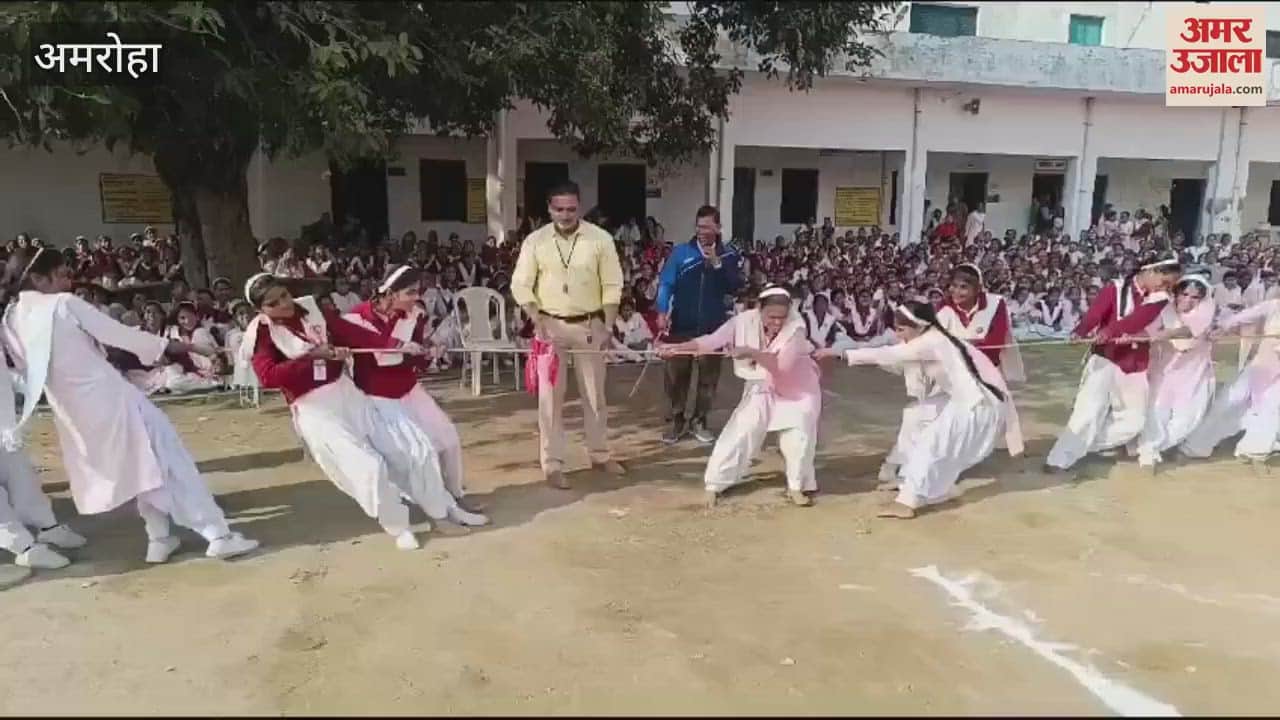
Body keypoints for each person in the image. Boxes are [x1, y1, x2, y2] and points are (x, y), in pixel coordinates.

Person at [0, 247, 258, 564]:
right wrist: (193, 347)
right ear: (39, 278)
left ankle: (159, 539)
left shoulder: (11, 319)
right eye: (62, 275)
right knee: (171, 462)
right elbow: (125, 337)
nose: (68, 282)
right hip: (112, 399)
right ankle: (219, 535)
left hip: (75, 414)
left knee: (144, 468)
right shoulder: (63, 304)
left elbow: (29, 371)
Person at [243, 273, 446, 550]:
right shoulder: (262, 332)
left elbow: (352, 333)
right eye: (273, 303)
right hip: (314, 407)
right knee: (367, 467)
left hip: (346, 392)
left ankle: (437, 506)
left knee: (403, 447)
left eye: (284, 296)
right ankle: (398, 525)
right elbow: (268, 376)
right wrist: (312, 357)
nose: (283, 304)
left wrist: (395, 345)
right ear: (260, 309)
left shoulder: (312, 309)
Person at [817, 302, 1018, 518]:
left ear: (919, 326)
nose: (897, 334)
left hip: (978, 403)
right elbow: (895, 361)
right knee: (921, 423)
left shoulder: (931, 341)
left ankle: (907, 502)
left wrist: (840, 354)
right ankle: (915, 482)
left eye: (902, 329)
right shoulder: (937, 339)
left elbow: (890, 355)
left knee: (931, 443)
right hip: (974, 400)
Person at [343, 265, 488, 525]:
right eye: (409, 292)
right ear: (390, 292)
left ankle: (455, 494)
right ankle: (438, 509)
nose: (415, 298)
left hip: (409, 388)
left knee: (449, 439)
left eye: (417, 292)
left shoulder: (415, 315)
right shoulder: (356, 318)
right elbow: (377, 359)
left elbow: (416, 362)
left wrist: (429, 352)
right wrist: (403, 350)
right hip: (379, 396)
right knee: (420, 451)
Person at [658, 286, 821, 508]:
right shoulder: (741, 322)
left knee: (799, 436)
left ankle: (796, 486)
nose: (776, 322)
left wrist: (752, 352)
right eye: (771, 316)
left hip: (799, 388)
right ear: (758, 309)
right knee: (742, 429)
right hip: (762, 384)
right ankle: (715, 484)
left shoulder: (797, 327)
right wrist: (677, 348)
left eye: (781, 317)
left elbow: (782, 367)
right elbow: (710, 341)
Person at [510, 181, 627, 489]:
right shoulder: (535, 242)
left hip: (590, 326)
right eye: (559, 209)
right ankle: (552, 464)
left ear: (580, 207)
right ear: (549, 209)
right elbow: (521, 285)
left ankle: (600, 455)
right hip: (550, 328)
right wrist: (537, 317)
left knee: (595, 396)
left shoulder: (599, 239)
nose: (565, 215)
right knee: (550, 400)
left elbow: (613, 284)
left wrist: (608, 325)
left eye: (571, 209)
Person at [1044, 256, 1182, 472]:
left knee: (1134, 421)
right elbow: (1094, 315)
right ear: (1151, 271)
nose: (1166, 287)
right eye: (1165, 281)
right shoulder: (1114, 288)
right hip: (1105, 358)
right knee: (1087, 412)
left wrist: (1109, 331)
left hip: (1134, 363)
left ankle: (1081, 445)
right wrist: (1079, 332)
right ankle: (1060, 459)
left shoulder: (1160, 297)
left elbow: (1138, 320)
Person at [654, 205, 743, 445]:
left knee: (708, 379)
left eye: (707, 226)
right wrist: (662, 311)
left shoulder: (729, 255)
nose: (702, 231)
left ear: (718, 227)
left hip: (714, 327)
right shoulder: (681, 253)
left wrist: (717, 264)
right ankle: (677, 420)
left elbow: (735, 286)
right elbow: (666, 284)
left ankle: (699, 421)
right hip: (682, 323)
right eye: (698, 226)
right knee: (676, 376)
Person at [1181, 293, 1280, 464]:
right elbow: (1241, 317)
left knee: (1269, 409)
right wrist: (1222, 326)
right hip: (1260, 368)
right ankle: (1196, 446)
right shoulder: (1274, 306)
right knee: (1228, 401)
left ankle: (1253, 450)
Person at [1135, 275, 1216, 470]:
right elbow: (1147, 331)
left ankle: (1159, 447)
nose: (1188, 300)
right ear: (1176, 294)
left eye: (1195, 297)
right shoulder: (1164, 311)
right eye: (1184, 294)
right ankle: (1148, 452)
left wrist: (1163, 334)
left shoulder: (1206, 314)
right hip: (1163, 372)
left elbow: (1187, 339)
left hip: (1194, 375)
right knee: (1156, 413)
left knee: (1187, 419)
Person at [935, 264, 1025, 382]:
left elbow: (996, 342)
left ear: (978, 289)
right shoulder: (944, 305)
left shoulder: (995, 303)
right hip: (953, 373)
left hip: (987, 371)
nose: (956, 291)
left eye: (963, 287)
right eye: (954, 286)